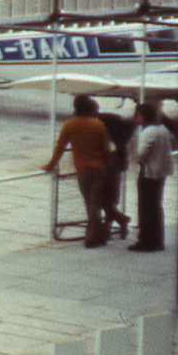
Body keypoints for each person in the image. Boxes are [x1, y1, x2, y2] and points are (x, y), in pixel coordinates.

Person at [44, 94, 115, 247]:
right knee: (95, 203)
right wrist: (109, 169)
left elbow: (60, 148)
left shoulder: (69, 125)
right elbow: (107, 150)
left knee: (90, 203)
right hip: (100, 169)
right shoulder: (98, 125)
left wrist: (50, 165)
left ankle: (92, 237)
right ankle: (98, 234)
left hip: (83, 170)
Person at [131, 101, 175, 253]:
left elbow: (142, 154)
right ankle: (157, 240)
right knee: (156, 206)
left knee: (145, 207)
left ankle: (145, 241)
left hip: (149, 172)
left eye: (137, 115)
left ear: (143, 116)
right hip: (162, 172)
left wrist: (136, 157)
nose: (135, 118)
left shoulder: (148, 131)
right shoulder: (163, 129)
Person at [97, 106, 136, 239]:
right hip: (116, 163)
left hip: (105, 163)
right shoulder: (120, 137)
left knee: (98, 195)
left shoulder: (103, 131)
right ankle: (112, 225)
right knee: (112, 196)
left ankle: (115, 222)